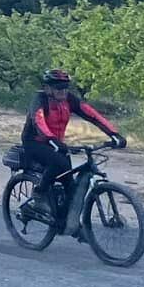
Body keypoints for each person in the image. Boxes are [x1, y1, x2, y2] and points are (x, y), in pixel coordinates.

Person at [19, 69, 125, 225]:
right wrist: (51, 140)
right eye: (58, 87)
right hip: (34, 142)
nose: (62, 91)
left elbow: (92, 115)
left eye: (65, 87)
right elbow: (38, 121)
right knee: (59, 163)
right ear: (47, 88)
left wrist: (114, 134)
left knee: (70, 185)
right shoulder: (40, 99)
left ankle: (65, 222)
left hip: (57, 143)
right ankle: (39, 194)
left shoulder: (68, 99)